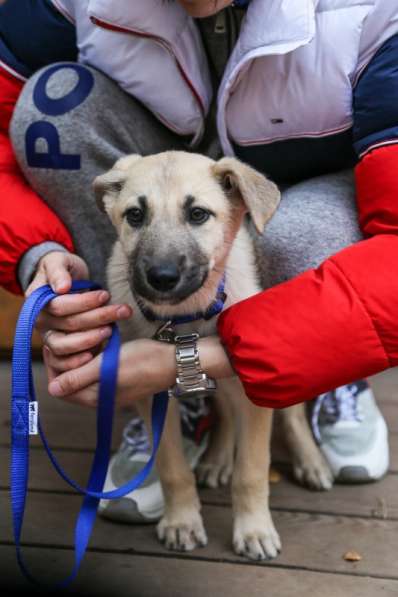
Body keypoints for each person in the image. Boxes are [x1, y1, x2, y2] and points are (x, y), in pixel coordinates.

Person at [1, 0, 395, 521]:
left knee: (287, 242)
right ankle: (161, 372)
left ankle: (323, 370)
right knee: (52, 108)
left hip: (303, 187)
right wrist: (36, 252)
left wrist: (188, 363)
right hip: (158, 170)